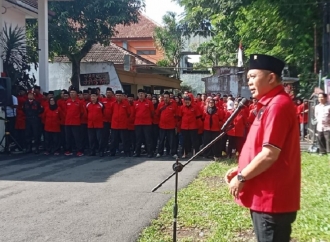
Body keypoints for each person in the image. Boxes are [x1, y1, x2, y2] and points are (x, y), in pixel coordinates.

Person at [225, 54, 300, 242]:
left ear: (271, 77)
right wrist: (241, 168)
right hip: (263, 193)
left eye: (253, 76)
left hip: (271, 198)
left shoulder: (277, 105)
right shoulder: (268, 104)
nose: (249, 82)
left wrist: (242, 177)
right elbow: (261, 147)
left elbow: (269, 154)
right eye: (247, 77)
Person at [133, 89, 154, 158]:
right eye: (139, 94)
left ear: (145, 95)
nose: (141, 95)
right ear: (138, 95)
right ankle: (137, 152)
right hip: (138, 123)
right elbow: (133, 113)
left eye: (142, 93)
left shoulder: (149, 102)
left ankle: (150, 152)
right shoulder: (135, 103)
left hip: (147, 123)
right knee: (138, 139)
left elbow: (152, 112)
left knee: (148, 139)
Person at [109, 90, 131, 157]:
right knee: (113, 140)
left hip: (123, 125)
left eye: (120, 95)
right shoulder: (113, 104)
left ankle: (127, 152)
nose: (118, 97)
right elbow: (111, 113)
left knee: (125, 140)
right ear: (115, 96)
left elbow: (129, 113)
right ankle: (112, 152)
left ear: (122, 96)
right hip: (114, 125)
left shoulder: (126, 104)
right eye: (117, 95)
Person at [64, 87, 85, 156]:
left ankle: (80, 150)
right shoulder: (67, 102)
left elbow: (82, 112)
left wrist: (77, 117)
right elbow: (65, 111)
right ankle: (68, 150)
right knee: (68, 137)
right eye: (71, 93)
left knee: (77, 137)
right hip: (68, 122)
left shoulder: (79, 102)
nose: (72, 94)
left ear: (76, 94)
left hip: (76, 122)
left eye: (73, 93)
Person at [86, 89, 105, 156]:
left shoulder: (101, 104)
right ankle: (92, 151)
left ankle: (101, 151)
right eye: (91, 96)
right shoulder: (88, 104)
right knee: (91, 139)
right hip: (90, 125)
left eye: (94, 96)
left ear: (97, 97)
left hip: (99, 125)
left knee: (100, 139)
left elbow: (104, 113)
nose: (93, 98)